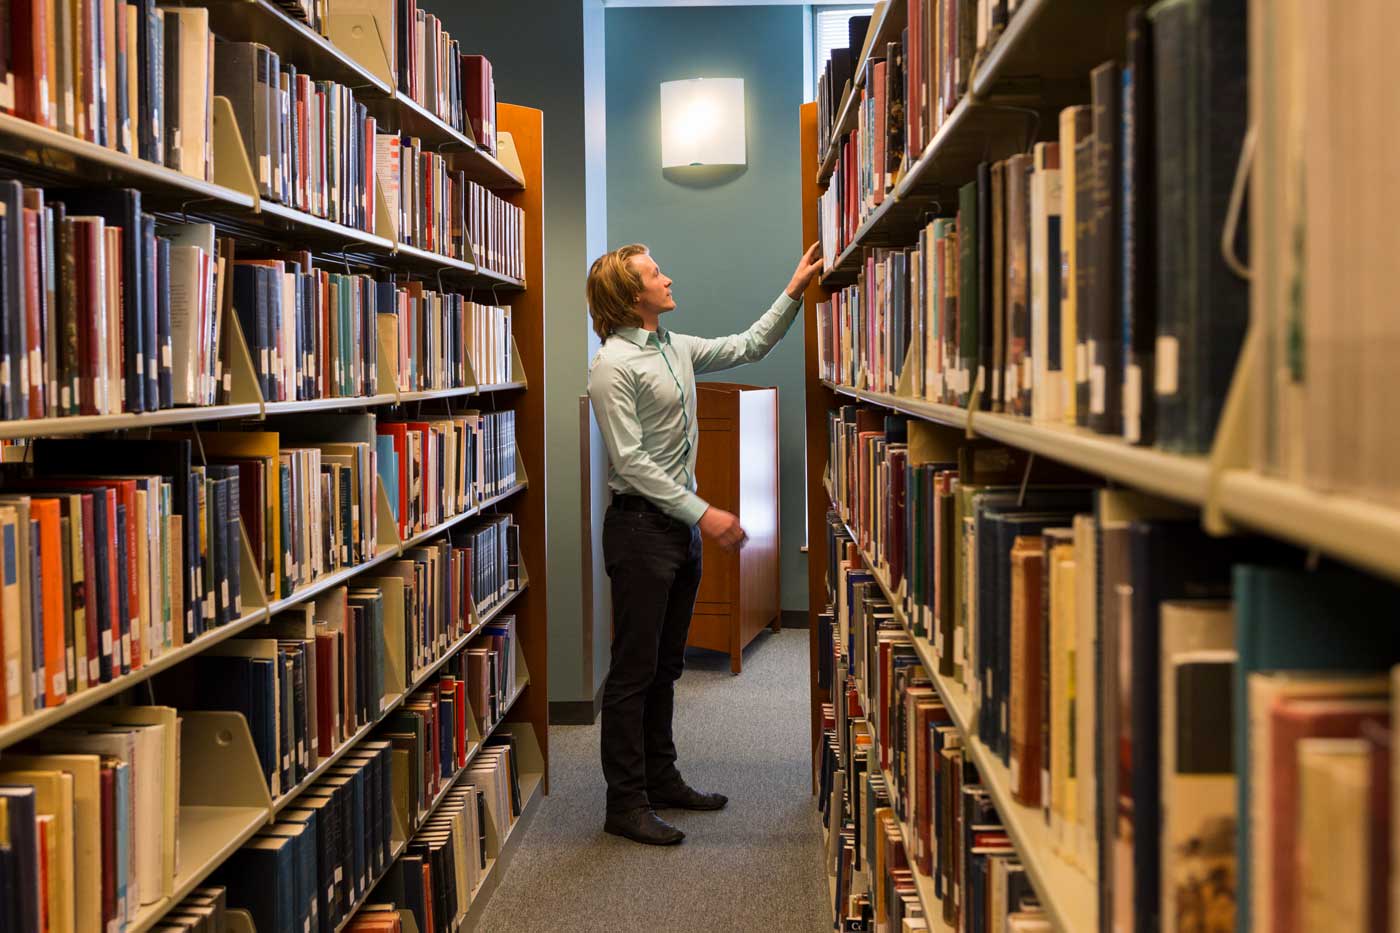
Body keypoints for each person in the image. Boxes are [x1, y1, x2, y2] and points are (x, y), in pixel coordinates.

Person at [585, 242, 824, 845]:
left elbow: (748, 344)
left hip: (678, 531)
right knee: (633, 672)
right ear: (631, 295)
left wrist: (793, 290)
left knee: (667, 666)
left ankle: (662, 780)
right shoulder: (612, 365)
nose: (669, 278)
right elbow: (631, 461)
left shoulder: (675, 348)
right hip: (640, 529)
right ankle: (625, 803)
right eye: (655, 273)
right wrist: (704, 512)